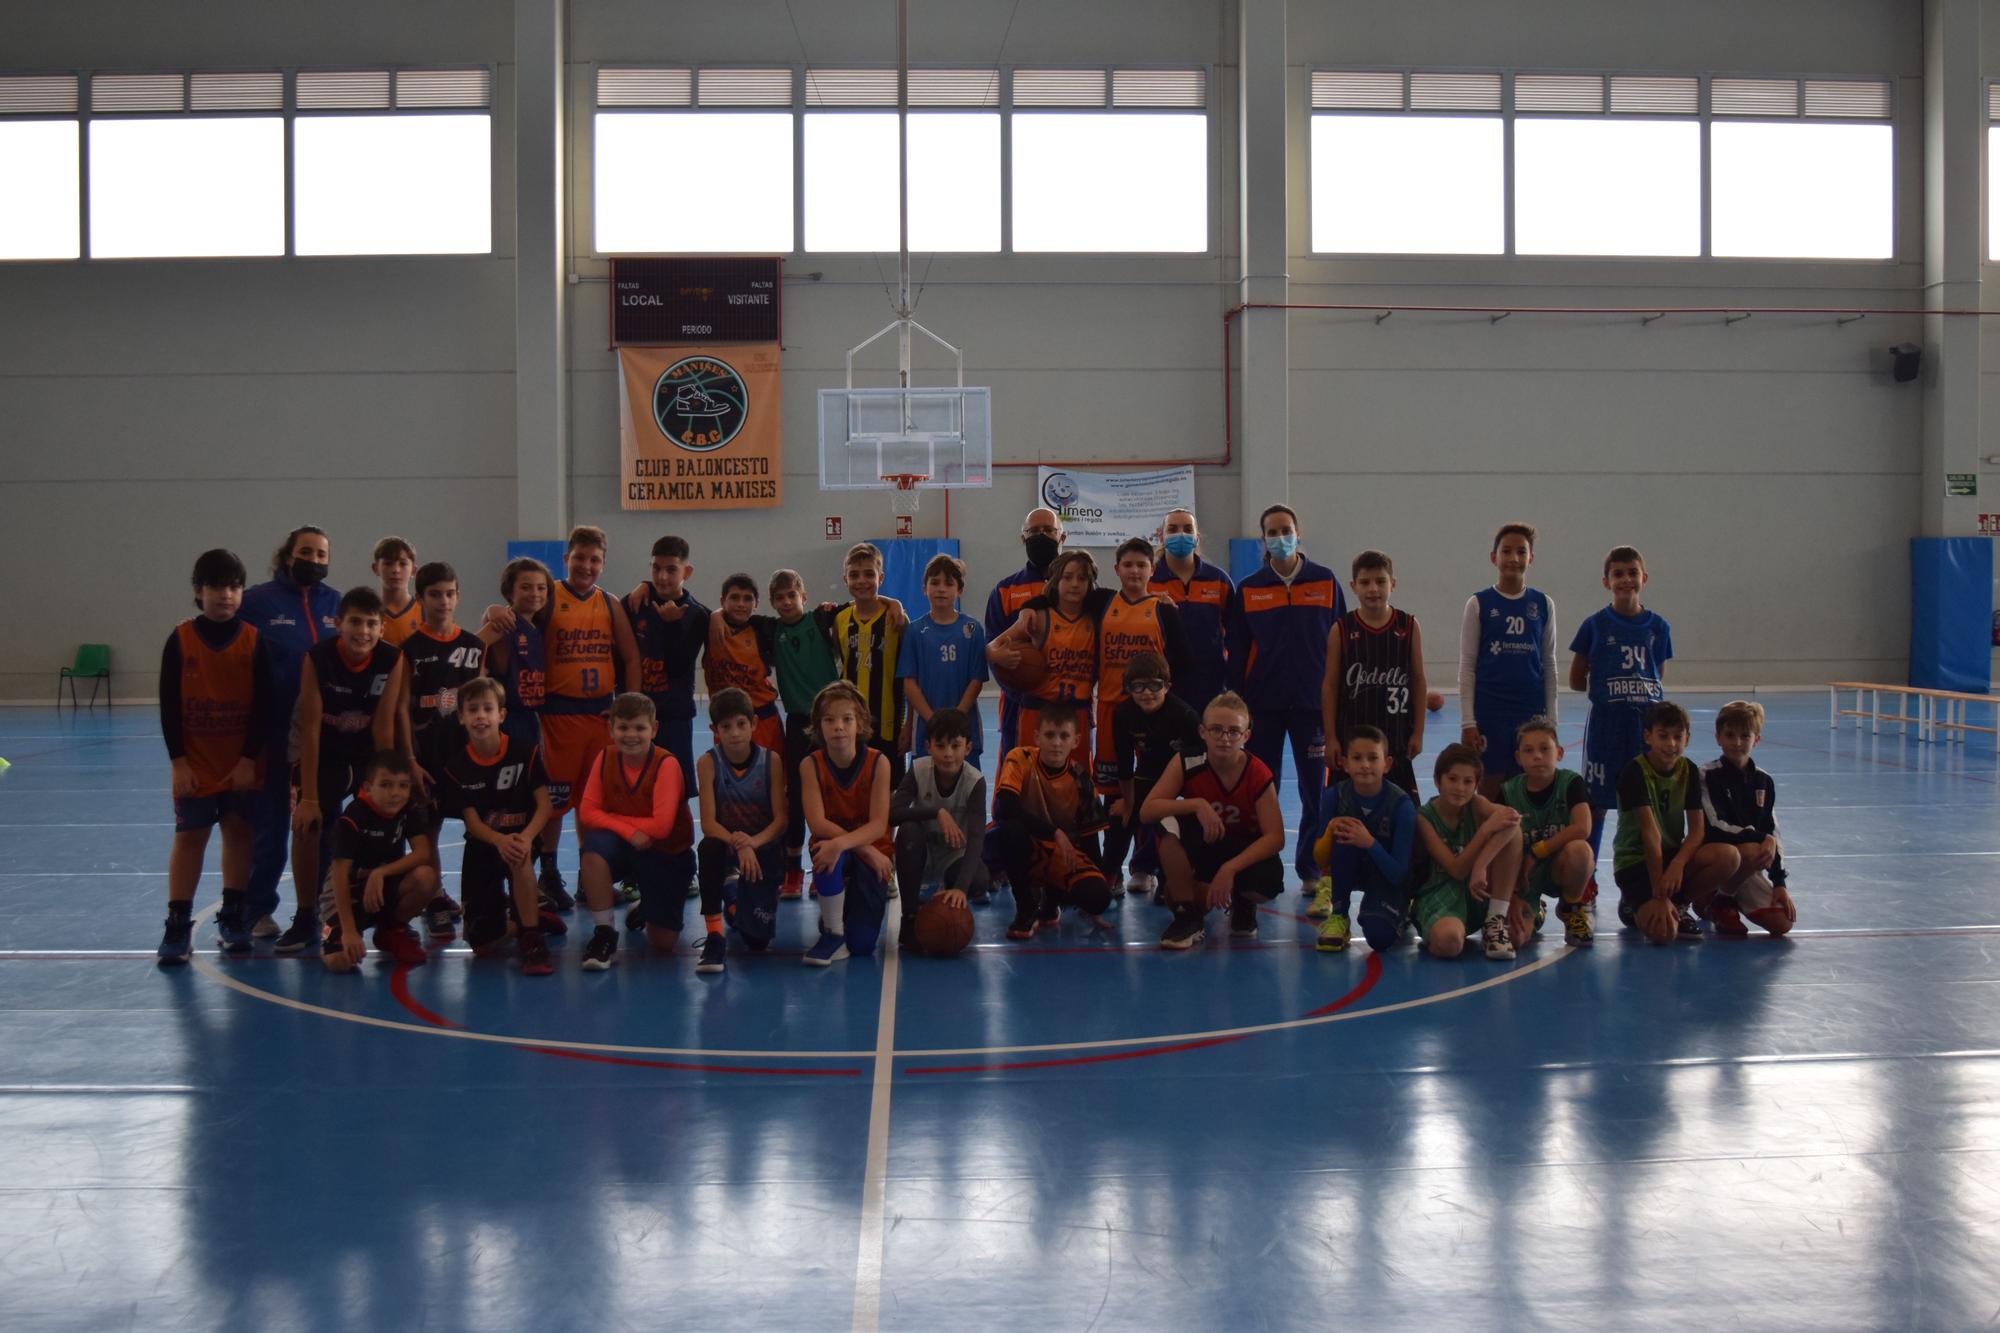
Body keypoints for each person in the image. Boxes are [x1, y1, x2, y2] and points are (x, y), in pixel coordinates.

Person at [485, 526, 642, 912]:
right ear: (566, 559)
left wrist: (629, 705)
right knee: (553, 803)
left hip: (599, 716)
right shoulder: (549, 595)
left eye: (594, 560)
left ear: (603, 564)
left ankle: (590, 879)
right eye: (580, 558)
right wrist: (494, 611)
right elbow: (514, 617)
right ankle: (548, 875)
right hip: (556, 715)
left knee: (594, 803)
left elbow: (631, 657)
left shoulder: (609, 603)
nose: (586, 566)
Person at [156, 549, 270, 965]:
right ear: (199, 592)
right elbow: (168, 704)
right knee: (190, 838)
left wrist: (247, 759)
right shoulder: (181, 638)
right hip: (197, 763)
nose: (226, 595)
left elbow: (263, 707)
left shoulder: (254, 641)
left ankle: (233, 914)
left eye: (235, 587)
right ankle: (177, 921)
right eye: (217, 587)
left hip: (240, 763)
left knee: (238, 833)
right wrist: (179, 762)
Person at [277, 586, 403, 955]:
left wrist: (389, 784)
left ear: (381, 628)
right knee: (306, 825)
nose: (362, 631)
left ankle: (386, 915)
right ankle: (305, 916)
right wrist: (310, 798)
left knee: (385, 821)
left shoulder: (391, 659)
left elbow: (383, 725)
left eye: (370, 624)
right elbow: (312, 729)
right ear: (338, 624)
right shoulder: (318, 658)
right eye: (355, 622)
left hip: (365, 752)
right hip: (325, 750)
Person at [1228, 504, 1345, 896]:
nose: (1280, 538)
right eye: (1272, 532)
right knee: (1264, 787)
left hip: (1313, 706)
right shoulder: (1248, 589)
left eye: (1286, 530)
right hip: (1264, 706)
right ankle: (1264, 865)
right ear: (1263, 539)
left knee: (1315, 790)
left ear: (1298, 533)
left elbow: (1340, 644)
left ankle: (1311, 867)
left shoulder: (1326, 582)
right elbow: (1238, 649)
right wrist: (1240, 706)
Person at [237, 524, 338, 939]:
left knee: (323, 825)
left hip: (322, 737)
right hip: (273, 731)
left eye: (321, 555)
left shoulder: (336, 602)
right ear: (287, 554)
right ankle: (256, 908)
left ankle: (319, 909)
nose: (313, 560)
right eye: (306, 552)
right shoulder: (257, 603)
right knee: (272, 826)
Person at [1144, 691, 1287, 949]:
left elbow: (1276, 837)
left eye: (1233, 731)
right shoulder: (1186, 761)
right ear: (1202, 732)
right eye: (1216, 730)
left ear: (1246, 736)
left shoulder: (1257, 772)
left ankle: (1243, 900)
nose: (1224, 738)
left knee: (1268, 882)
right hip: (1203, 845)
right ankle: (1186, 916)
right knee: (1165, 820)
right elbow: (1148, 810)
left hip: (1240, 849)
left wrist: (1230, 869)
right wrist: (1197, 804)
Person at [437, 677, 555, 975]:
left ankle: (532, 937)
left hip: (521, 839)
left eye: (488, 708)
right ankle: (525, 918)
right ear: (461, 716)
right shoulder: (456, 767)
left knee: (519, 854)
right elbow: (473, 824)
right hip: (484, 845)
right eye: (472, 709)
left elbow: (544, 805)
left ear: (501, 715)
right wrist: (498, 841)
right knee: (482, 947)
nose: (480, 716)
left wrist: (527, 837)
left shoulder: (524, 752)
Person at [398, 560, 483, 940]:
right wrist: (411, 761)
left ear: (458, 597)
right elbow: (400, 709)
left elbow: (483, 703)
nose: (443, 601)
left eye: (450, 594)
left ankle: (479, 897)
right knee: (427, 832)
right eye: (435, 594)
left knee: (477, 829)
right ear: (420, 599)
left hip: (467, 758)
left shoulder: (473, 646)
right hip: (427, 759)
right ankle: (434, 899)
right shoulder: (409, 650)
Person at [1570, 545, 1673, 857]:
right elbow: (1575, 678)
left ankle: (1639, 875)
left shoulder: (1659, 627)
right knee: (1597, 803)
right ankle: (1586, 882)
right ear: (1606, 581)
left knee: (1645, 806)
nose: (1626, 579)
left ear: (1644, 577)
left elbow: (1658, 675)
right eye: (1618, 574)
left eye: (1632, 573)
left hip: (1645, 731)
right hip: (1607, 729)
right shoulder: (1595, 625)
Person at [575, 693, 689, 970]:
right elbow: (587, 813)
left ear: (654, 729)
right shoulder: (605, 758)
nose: (631, 735)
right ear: (611, 728)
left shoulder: (667, 764)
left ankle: (645, 907)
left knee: (662, 943)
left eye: (639, 727)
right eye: (623, 727)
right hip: (626, 845)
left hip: (666, 851)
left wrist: (611, 816)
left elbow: (661, 827)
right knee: (592, 853)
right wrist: (627, 831)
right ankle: (604, 933)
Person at [1613, 701, 1741, 943]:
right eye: (1663, 736)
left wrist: (1678, 865)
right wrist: (1658, 894)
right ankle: (1637, 902)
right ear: (1648, 737)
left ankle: (1679, 904)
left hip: (1671, 855)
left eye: (1677, 737)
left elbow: (1696, 831)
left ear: (1687, 739)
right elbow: (1650, 834)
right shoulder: (1634, 772)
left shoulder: (1688, 770)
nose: (1671, 744)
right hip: (1637, 861)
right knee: (1664, 935)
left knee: (1729, 856)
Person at [993, 701, 1113, 940]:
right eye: (1049, 735)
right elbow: (1005, 808)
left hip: (1060, 855)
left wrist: (1097, 893)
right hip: (1026, 846)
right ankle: (1026, 906)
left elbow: (1090, 839)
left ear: (1076, 741)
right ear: (1037, 737)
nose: (1056, 743)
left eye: (1063, 736)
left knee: (1099, 898)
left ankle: (1051, 898)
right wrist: (1054, 832)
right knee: (1010, 830)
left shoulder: (1081, 779)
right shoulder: (1020, 758)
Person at [1082, 538, 1189, 804]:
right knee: (1114, 794)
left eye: (1141, 565)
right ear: (1116, 568)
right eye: (1128, 565)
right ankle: (1116, 840)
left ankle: (1151, 841)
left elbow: (1182, 661)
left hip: (1151, 709)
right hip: (1110, 706)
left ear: (1152, 569)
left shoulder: (1164, 610)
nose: (1134, 571)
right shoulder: (1101, 602)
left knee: (1154, 785)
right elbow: (1057, 594)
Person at [798, 682, 895, 966]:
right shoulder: (810, 765)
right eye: (829, 720)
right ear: (819, 726)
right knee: (827, 852)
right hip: (850, 849)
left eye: (846, 719)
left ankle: (841, 911)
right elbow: (817, 822)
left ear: (860, 723)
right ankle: (833, 932)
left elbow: (878, 826)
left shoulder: (879, 763)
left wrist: (849, 844)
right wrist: (859, 849)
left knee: (863, 946)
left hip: (873, 848)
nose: (838, 726)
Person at [694, 687, 790, 973]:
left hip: (763, 846)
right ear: (714, 730)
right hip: (727, 845)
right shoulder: (708, 763)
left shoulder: (770, 761)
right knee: (707, 848)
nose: (734, 733)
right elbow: (709, 824)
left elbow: (781, 820)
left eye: (741, 724)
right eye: (726, 727)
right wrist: (740, 845)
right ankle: (714, 935)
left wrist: (753, 843)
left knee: (756, 941)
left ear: (754, 725)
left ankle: (733, 895)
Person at [1460, 523, 1558, 799]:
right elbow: (1467, 666)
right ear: (1494, 557)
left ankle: (1525, 843)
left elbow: (1549, 664)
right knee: (1490, 789)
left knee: (1531, 786)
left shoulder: (1543, 604)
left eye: (1521, 551)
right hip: (1490, 712)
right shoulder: (1479, 604)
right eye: (1506, 551)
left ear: (1531, 558)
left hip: (1531, 712)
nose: (1514, 558)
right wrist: (1468, 722)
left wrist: (1552, 720)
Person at [319, 750, 436, 972]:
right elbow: (339, 876)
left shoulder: (406, 809)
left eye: (403, 786)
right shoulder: (353, 817)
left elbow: (422, 853)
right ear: (367, 787)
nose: (395, 793)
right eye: (386, 785)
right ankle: (333, 929)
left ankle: (391, 930)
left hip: (380, 887)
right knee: (340, 963)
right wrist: (350, 931)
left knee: (426, 876)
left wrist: (379, 873)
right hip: (347, 895)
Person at [1323, 548, 1425, 796]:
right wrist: (1331, 737)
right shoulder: (1341, 629)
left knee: (1405, 815)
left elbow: (1418, 680)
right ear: (1353, 586)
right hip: (1352, 737)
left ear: (1393, 584)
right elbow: (1330, 685)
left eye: (1380, 581)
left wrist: (1419, 732)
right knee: (1344, 814)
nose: (1373, 589)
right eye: (1365, 582)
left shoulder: (1408, 626)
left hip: (1396, 737)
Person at [1409, 743, 1525, 961]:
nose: (1460, 787)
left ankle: (1495, 919)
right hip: (1440, 893)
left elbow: (1512, 818)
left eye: (1468, 781)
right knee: (1450, 943)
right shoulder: (1424, 818)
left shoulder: (1477, 804)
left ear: (1475, 786)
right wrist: (1484, 831)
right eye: (1452, 779)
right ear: (1437, 781)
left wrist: (1481, 865)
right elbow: (1457, 870)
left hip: (1478, 889)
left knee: (1519, 938)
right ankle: (1435, 931)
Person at [1103, 649, 1202, 900]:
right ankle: (1108, 877)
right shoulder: (1124, 714)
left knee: (1170, 819)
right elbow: (1124, 764)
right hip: (1148, 776)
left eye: (1154, 686)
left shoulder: (1184, 715)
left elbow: (1203, 762)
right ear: (1128, 689)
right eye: (1138, 687)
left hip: (1185, 781)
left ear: (1167, 686)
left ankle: (1175, 877)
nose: (1147, 693)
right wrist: (1127, 802)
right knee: (1118, 815)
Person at [1310, 726, 1418, 953]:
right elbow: (1320, 860)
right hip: (1353, 866)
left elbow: (1399, 874)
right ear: (1345, 764)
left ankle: (1398, 910)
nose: (1365, 765)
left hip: (1387, 876)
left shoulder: (1402, 805)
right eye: (1357, 758)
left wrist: (1369, 842)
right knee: (1343, 833)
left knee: (1379, 937)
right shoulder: (1334, 796)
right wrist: (1330, 830)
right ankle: (1339, 915)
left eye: (1373, 758)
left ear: (1387, 764)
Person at [889, 707, 991, 942]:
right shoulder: (918, 770)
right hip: (921, 852)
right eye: (941, 745)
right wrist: (937, 812)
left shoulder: (975, 782)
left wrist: (961, 889)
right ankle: (910, 914)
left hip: (954, 855)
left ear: (967, 748)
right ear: (928, 747)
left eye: (955, 746)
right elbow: (892, 814)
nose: (948, 754)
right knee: (907, 831)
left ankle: (948, 895)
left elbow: (976, 839)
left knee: (979, 880)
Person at [769, 568, 841, 899]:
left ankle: (825, 863)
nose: (786, 602)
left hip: (830, 722)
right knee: (796, 797)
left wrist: (894, 604)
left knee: (830, 795)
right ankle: (792, 869)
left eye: (791, 595)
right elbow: (724, 616)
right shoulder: (769, 631)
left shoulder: (823, 620)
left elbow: (868, 605)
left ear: (804, 596)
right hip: (798, 723)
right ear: (772, 602)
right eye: (779, 597)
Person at [1700, 700, 1796, 937]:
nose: (1737, 743)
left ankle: (1726, 898)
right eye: (1730, 735)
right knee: (1753, 849)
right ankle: (1715, 900)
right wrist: (1760, 837)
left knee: (1783, 923)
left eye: (1745, 736)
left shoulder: (1764, 781)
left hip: (1747, 867)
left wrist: (1779, 883)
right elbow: (1714, 826)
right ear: (1718, 737)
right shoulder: (1706, 775)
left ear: (1757, 739)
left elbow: (1773, 833)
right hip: (1716, 860)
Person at [988, 549, 1101, 751]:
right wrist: (998, 656)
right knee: (1032, 777)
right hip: (1038, 709)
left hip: (1078, 712)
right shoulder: (1037, 618)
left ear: (1090, 584)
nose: (1075, 584)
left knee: (1077, 779)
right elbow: (991, 647)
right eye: (1067, 577)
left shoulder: (1097, 617)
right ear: (1055, 581)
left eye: (1082, 578)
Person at [1499, 717, 1597, 946]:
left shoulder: (1571, 783)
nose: (1537, 756)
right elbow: (1498, 848)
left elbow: (1583, 827)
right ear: (1518, 758)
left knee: (1581, 851)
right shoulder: (1508, 792)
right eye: (1529, 750)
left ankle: (1571, 906)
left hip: (1559, 867)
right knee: (1515, 939)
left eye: (1545, 749)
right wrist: (1510, 895)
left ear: (1560, 753)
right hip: (1522, 876)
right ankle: (1536, 909)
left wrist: (1537, 851)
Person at [627, 535, 710, 802]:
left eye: (671, 569)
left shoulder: (696, 615)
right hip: (637, 717)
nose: (662, 577)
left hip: (674, 716)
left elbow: (678, 666)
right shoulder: (635, 603)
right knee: (636, 790)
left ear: (687, 572)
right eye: (656, 568)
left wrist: (672, 624)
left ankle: (679, 845)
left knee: (675, 790)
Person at [984, 507, 1065, 752]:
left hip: (1068, 703)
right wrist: (1017, 690)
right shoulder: (1004, 590)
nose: (1041, 536)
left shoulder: (1080, 588)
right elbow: (992, 647)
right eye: (1034, 531)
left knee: (1071, 781)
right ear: (1023, 538)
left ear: (1062, 537)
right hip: (1017, 704)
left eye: (1049, 530)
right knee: (1017, 779)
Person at [897, 554, 988, 770]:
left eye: (949, 583)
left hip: (964, 725)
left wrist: (956, 717)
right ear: (924, 588)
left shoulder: (973, 630)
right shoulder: (915, 631)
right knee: (924, 794)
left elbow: (976, 680)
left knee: (967, 791)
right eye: (934, 582)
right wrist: (932, 719)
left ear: (960, 590)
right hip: (926, 729)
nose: (941, 589)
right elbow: (909, 683)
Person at [832, 543, 908, 785]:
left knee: (889, 791)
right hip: (850, 723)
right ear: (845, 580)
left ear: (881, 577)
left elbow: (910, 675)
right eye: (854, 575)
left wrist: (909, 724)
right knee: (855, 786)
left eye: (869, 574)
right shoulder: (839, 620)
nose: (861, 581)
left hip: (889, 723)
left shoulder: (896, 619)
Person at [1150, 507, 1233, 717]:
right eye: (1173, 528)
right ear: (1161, 536)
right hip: (1163, 686)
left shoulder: (1219, 580)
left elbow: (1236, 635)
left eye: (1188, 529)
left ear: (1196, 538)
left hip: (1211, 684)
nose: (1181, 534)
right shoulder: (1149, 581)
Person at [372, 536, 421, 648]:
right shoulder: (366, 610)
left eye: (403, 564)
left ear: (413, 570)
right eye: (388, 563)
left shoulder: (425, 612)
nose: (396, 570)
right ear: (375, 568)